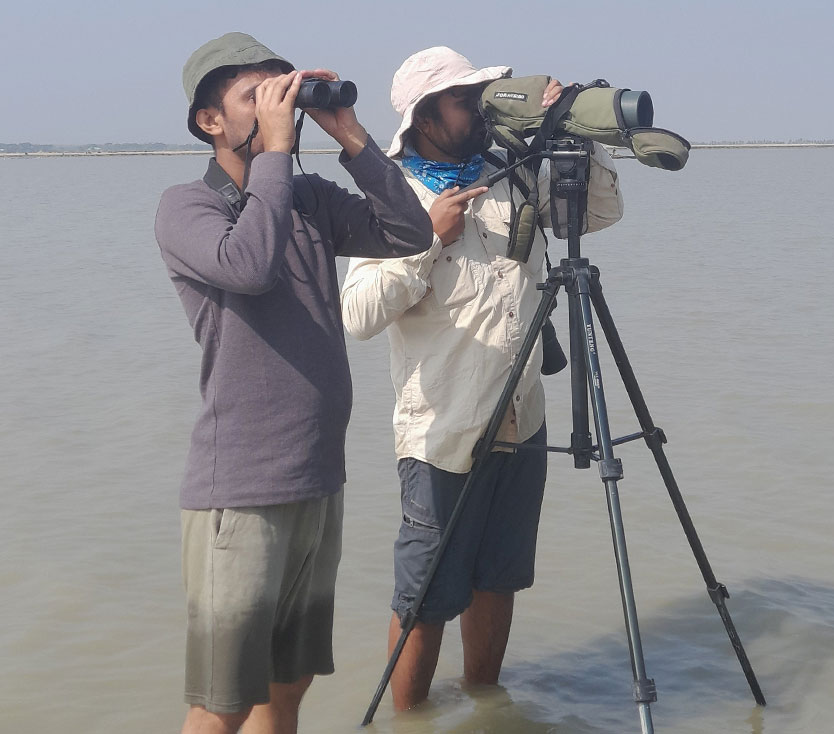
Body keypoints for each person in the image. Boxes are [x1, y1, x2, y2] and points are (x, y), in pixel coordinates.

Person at [154, 32, 433, 734]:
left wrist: (351, 136)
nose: (277, 108)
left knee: (287, 685)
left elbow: (409, 233)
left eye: (284, 94)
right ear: (208, 121)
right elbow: (248, 265)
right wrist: (276, 152)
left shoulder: (306, 196)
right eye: (255, 97)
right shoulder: (187, 208)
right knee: (222, 700)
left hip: (318, 478)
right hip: (240, 491)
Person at [340, 46, 625, 710]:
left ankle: (485, 705)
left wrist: (578, 136)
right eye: (464, 99)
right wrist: (429, 240)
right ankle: (407, 720)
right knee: (426, 596)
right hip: (442, 429)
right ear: (424, 115)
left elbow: (598, 216)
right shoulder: (395, 195)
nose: (480, 107)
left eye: (479, 95)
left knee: (500, 578)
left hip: (522, 414)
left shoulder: (510, 173)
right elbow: (356, 315)